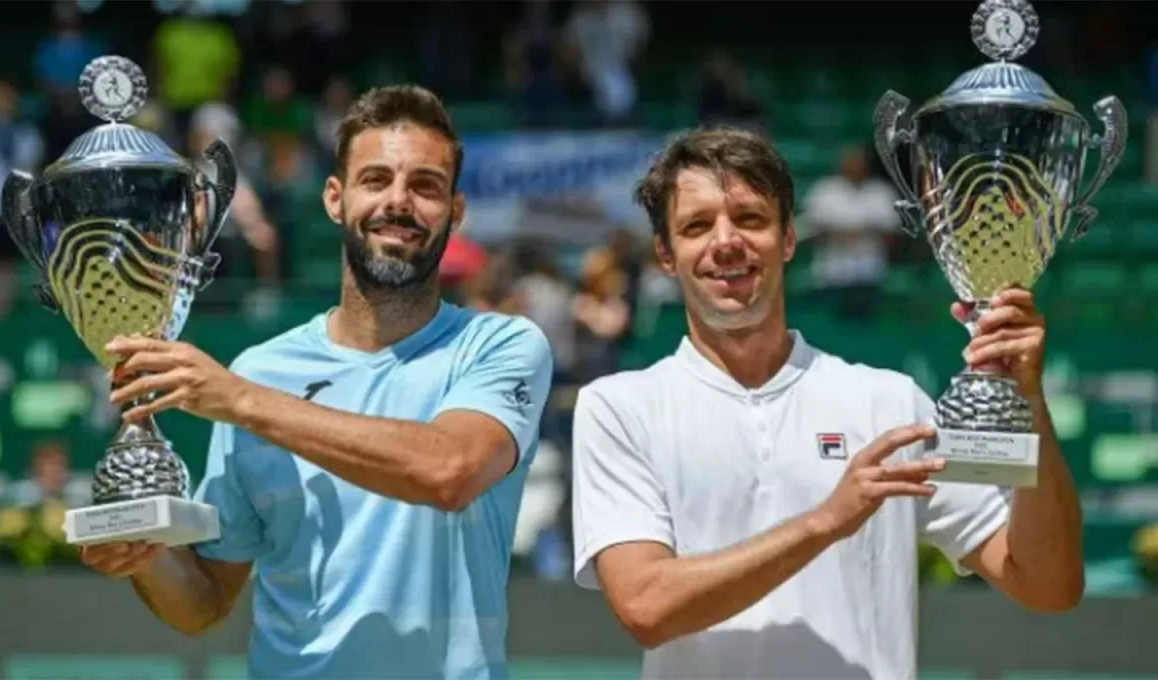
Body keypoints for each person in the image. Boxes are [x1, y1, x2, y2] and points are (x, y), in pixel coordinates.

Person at [78, 85, 554, 680]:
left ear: (455, 212)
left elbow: (448, 471)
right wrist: (142, 557)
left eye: (425, 186)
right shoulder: (260, 372)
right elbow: (204, 602)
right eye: (376, 180)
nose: (398, 202)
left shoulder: (501, 346)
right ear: (335, 198)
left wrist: (243, 402)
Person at [569, 127, 1083, 679]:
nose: (726, 242)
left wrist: (1026, 404)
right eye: (697, 226)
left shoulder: (890, 402)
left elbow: (1046, 584)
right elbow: (645, 607)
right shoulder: (620, 406)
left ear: (788, 239)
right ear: (666, 257)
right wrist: (826, 521)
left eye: (749, 218)